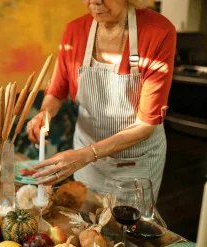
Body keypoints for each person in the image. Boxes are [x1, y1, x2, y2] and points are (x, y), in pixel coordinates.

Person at [27, 0, 176, 200]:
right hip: (86, 162)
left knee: (128, 227)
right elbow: (56, 91)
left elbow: (146, 125)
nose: (95, 1)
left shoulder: (158, 31)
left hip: (135, 162)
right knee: (85, 223)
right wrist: (44, 113)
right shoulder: (74, 31)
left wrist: (85, 155)